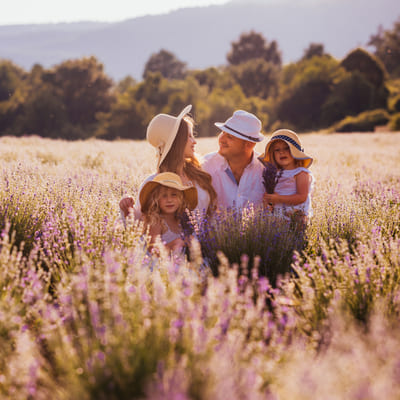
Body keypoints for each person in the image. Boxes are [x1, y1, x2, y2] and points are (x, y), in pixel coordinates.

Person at [119, 105, 216, 220]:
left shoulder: (198, 173)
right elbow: (142, 225)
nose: (194, 141)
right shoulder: (152, 184)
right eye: (189, 136)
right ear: (177, 142)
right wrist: (126, 209)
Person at [201, 110, 266, 209]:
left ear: (249, 144)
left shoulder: (266, 169)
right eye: (222, 132)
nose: (221, 139)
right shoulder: (205, 165)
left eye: (229, 137)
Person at [258, 129, 314, 225]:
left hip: (296, 214)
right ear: (272, 154)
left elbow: (302, 197)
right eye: (277, 150)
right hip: (277, 215)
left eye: (286, 148)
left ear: (295, 151)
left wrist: (278, 198)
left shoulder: (301, 173)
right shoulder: (272, 174)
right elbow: (268, 194)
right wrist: (268, 201)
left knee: (297, 228)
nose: (281, 152)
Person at [139, 172, 198, 254]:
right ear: (156, 199)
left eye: (174, 195)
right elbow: (153, 250)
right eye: (164, 196)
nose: (169, 200)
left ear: (181, 198)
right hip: (161, 264)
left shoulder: (182, 220)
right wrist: (176, 243)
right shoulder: (156, 221)